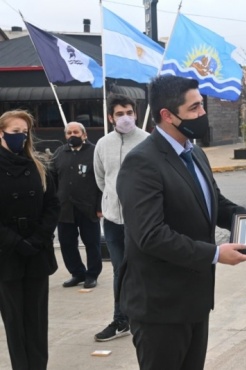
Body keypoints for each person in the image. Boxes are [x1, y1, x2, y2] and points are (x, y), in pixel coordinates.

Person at [116, 75, 246, 370]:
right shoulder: (142, 162)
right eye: (195, 108)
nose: (202, 115)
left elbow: (215, 203)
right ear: (167, 115)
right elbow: (150, 235)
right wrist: (214, 254)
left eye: (201, 106)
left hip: (195, 301)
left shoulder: (194, 152)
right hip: (160, 307)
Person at [0, 110, 60, 370]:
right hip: (7, 255)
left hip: (37, 252)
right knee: (15, 323)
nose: (21, 138)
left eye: (24, 133)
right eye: (15, 133)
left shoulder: (38, 165)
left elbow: (52, 205)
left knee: (37, 322)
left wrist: (38, 239)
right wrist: (15, 242)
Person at [93, 94, 149, 342]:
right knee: (119, 271)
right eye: (119, 113)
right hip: (113, 220)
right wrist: (109, 205)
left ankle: (146, 317)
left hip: (142, 220)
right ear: (110, 117)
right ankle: (121, 319)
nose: (125, 117)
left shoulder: (149, 141)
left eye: (129, 112)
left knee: (144, 269)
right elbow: (101, 179)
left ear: (135, 114)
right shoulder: (103, 144)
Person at [52, 122, 103, 289]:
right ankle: (77, 273)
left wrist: (100, 206)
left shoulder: (95, 152)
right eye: (69, 133)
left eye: (76, 132)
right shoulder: (60, 152)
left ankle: (92, 275)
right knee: (67, 243)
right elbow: (52, 179)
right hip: (65, 208)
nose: (72, 135)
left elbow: (102, 180)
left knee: (92, 243)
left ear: (84, 134)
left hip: (88, 207)